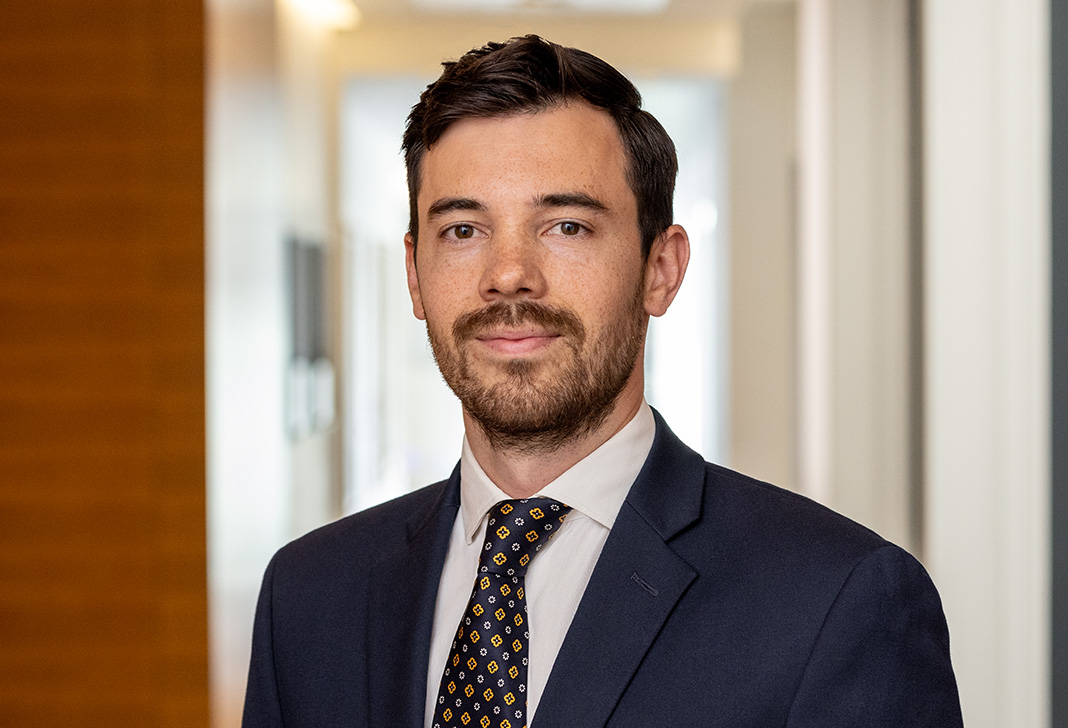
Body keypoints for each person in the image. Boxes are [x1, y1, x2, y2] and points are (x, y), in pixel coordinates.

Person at [242, 35, 963, 728]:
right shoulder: (307, 597)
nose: (509, 275)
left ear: (661, 269)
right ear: (414, 274)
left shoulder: (836, 602)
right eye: (463, 230)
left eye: (566, 226)